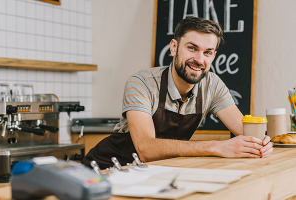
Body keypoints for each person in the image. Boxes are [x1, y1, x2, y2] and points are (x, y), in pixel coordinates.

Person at [83, 17, 273, 170]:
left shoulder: (212, 85)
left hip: (155, 172)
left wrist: (262, 143)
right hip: (107, 170)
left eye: (208, 52)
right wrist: (217, 146)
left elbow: (245, 132)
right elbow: (146, 149)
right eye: (192, 48)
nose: (199, 59)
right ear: (174, 47)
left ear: (213, 56)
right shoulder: (141, 83)